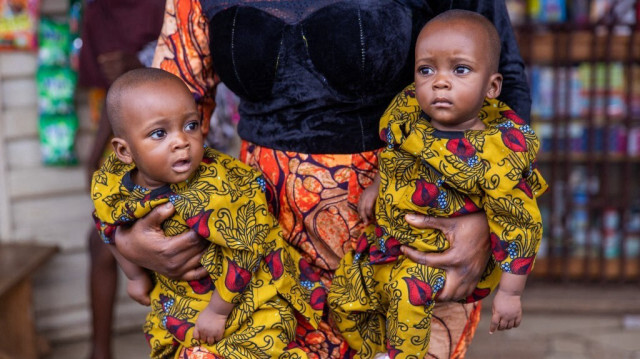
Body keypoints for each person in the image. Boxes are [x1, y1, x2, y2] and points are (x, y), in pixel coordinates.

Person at [114, 1, 533, 358]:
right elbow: (161, 101)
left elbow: (501, 76)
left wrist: (484, 216)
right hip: (258, 248)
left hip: (408, 234)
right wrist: (124, 231)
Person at [328, 10, 548, 358]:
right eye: (426, 70)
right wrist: (377, 186)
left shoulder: (497, 151)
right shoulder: (410, 115)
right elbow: (395, 153)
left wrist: (511, 293)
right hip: (388, 246)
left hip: (438, 258)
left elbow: (520, 225)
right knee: (344, 297)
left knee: (405, 294)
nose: (439, 82)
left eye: (460, 70)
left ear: (491, 87)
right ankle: (375, 351)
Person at [90, 68, 323, 358]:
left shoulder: (219, 189)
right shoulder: (112, 182)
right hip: (180, 301)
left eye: (190, 125)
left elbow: (247, 250)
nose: (181, 141)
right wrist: (134, 274)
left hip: (244, 299)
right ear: (124, 152)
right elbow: (105, 222)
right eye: (159, 133)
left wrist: (217, 311)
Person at [78, 2, 164, 359]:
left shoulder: (167, 7)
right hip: (141, 148)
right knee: (101, 240)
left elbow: (189, 97)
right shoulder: (99, 11)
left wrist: (139, 68)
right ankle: (100, 352)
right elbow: (117, 100)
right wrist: (95, 155)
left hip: (183, 143)